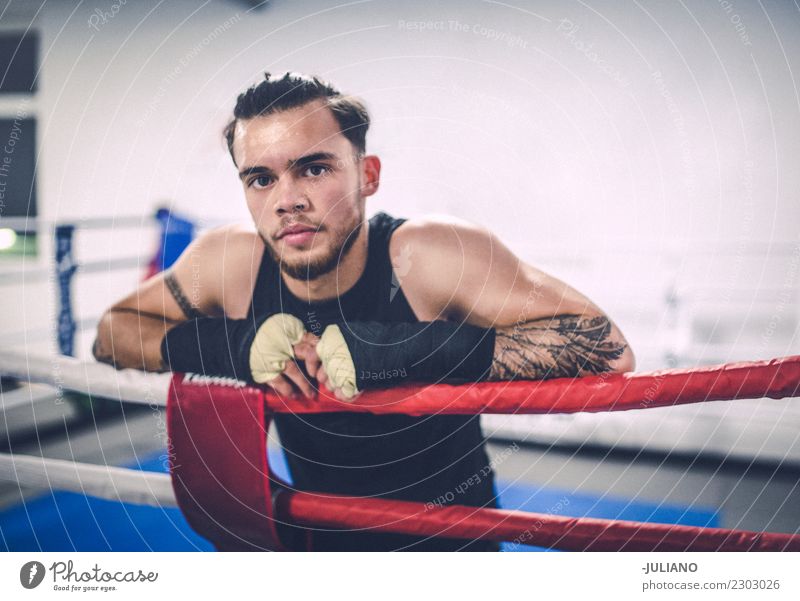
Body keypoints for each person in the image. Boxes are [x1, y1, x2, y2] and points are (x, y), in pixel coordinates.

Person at [93, 72, 635, 551]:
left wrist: (398, 349)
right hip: (320, 545)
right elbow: (112, 332)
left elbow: (606, 347)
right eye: (261, 178)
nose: (287, 200)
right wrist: (233, 346)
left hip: (454, 551)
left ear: (367, 175)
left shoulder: (425, 256)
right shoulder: (230, 262)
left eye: (314, 169)